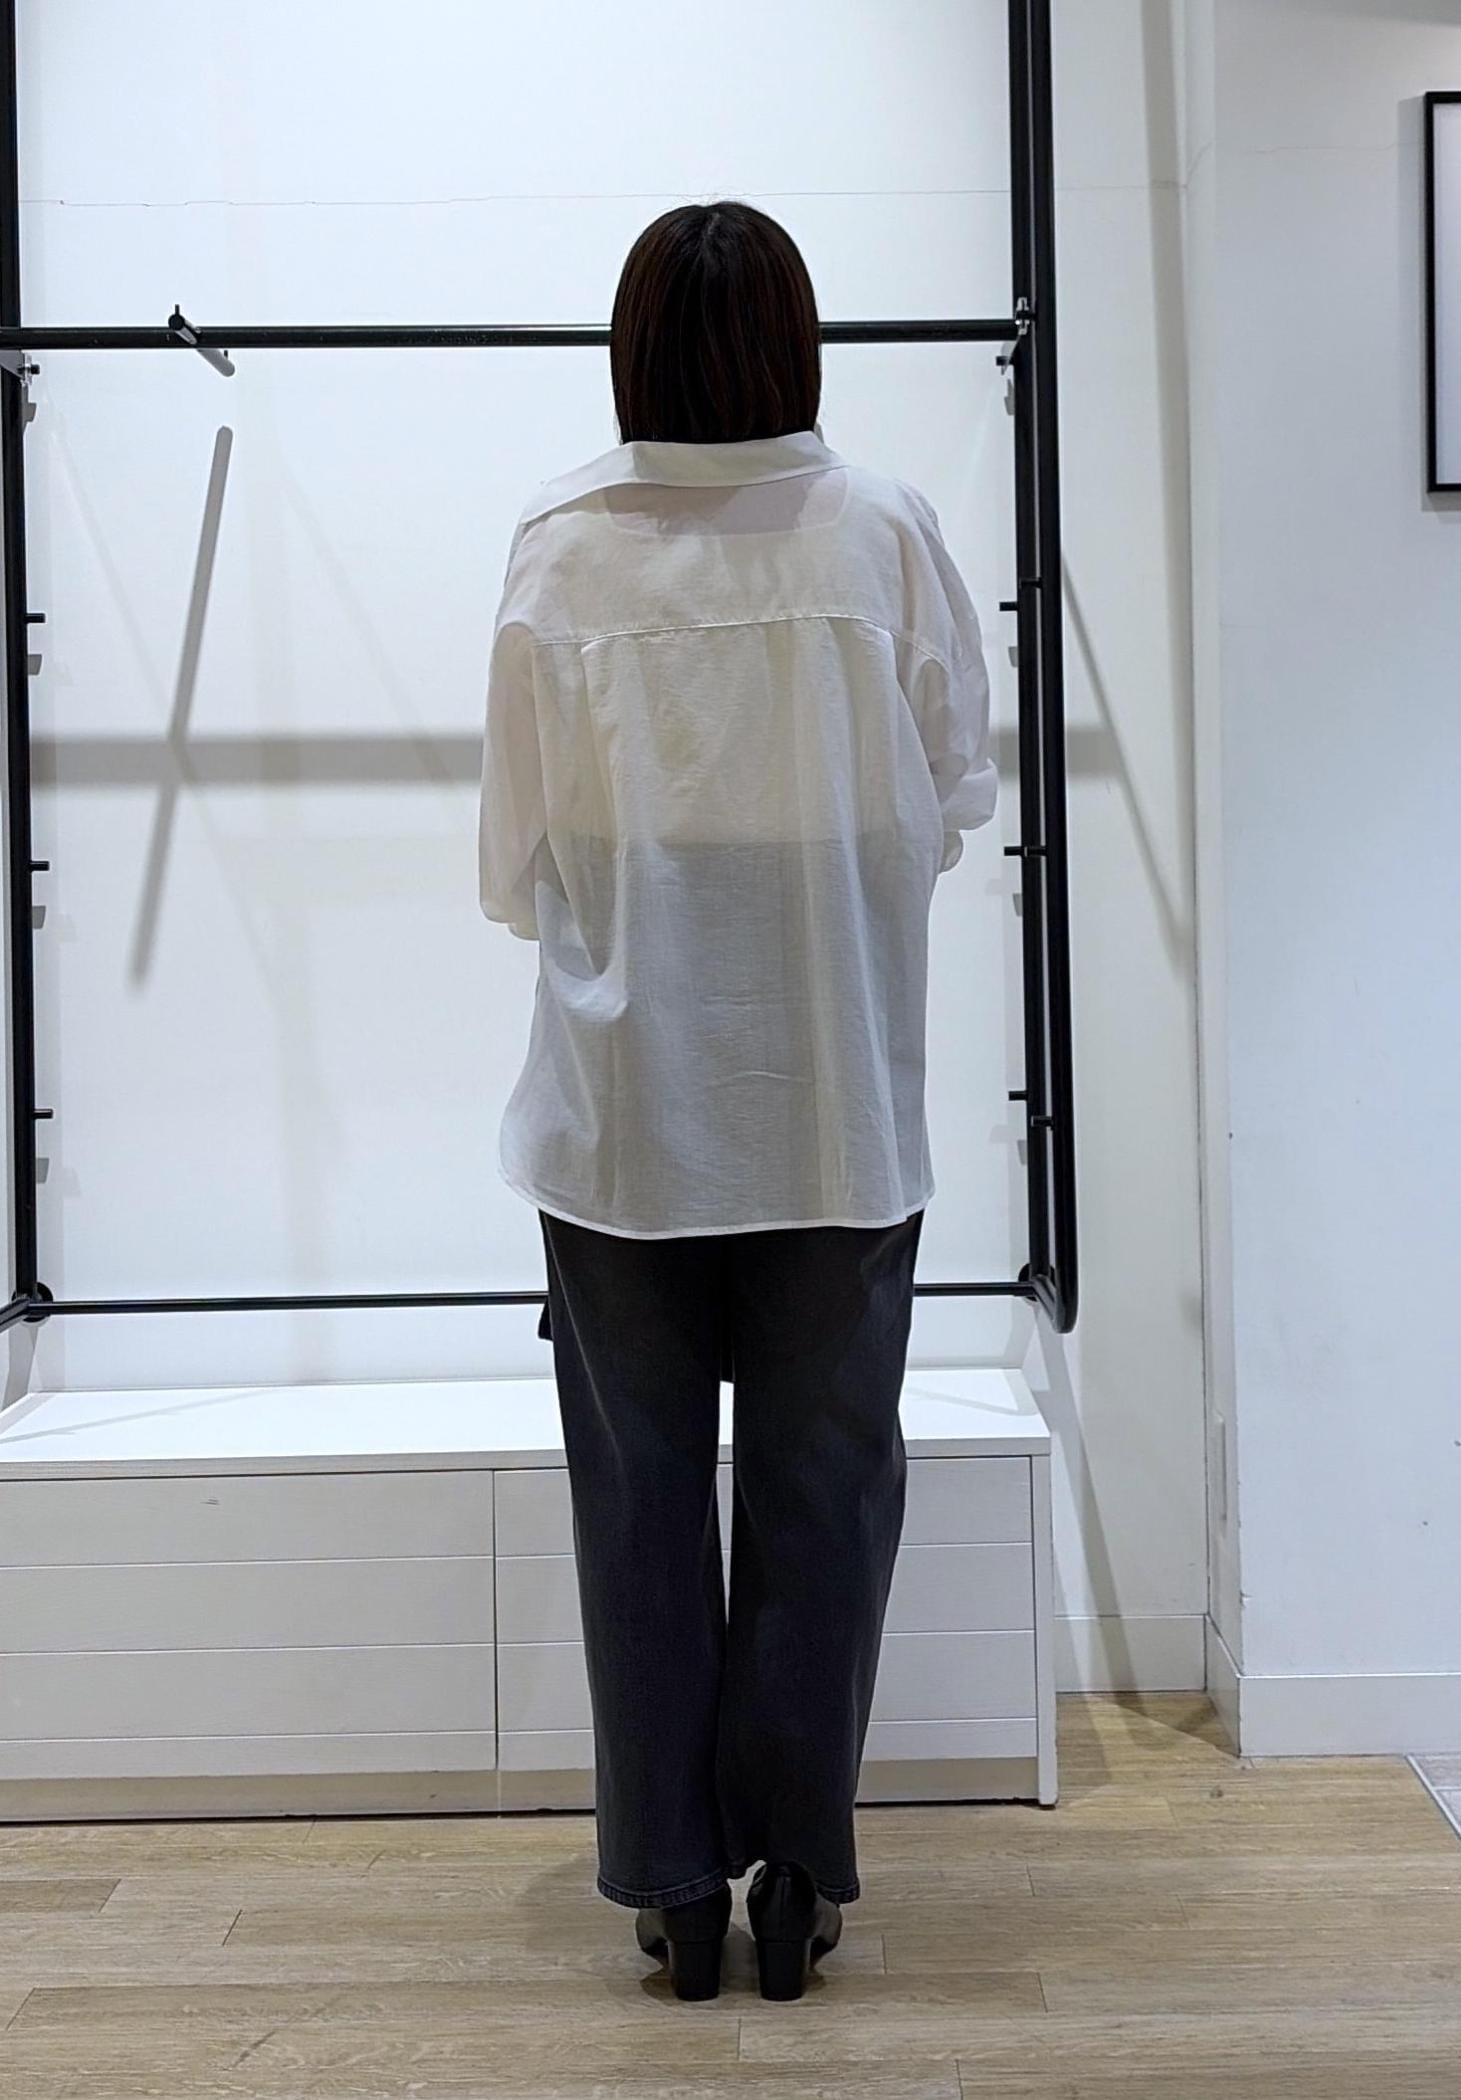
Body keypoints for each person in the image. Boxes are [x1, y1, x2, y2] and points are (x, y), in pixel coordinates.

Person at [478, 200, 998, 2001]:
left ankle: (673, 1886)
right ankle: (799, 1878)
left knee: (637, 1510)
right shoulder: (886, 533)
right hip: (837, 1111)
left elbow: (516, 860)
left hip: (622, 1120)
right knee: (824, 1498)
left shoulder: (561, 547)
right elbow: (955, 793)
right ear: (799, 343)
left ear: (632, 350)